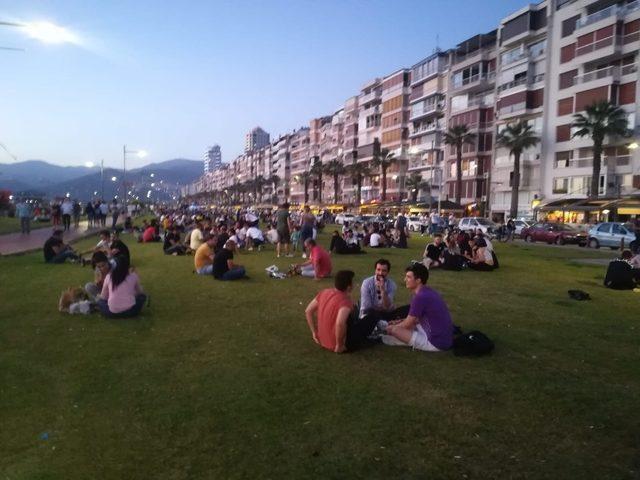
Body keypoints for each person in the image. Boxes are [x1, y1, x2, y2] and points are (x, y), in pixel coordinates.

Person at [380, 262, 453, 352]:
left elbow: (407, 324)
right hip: (444, 337)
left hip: (436, 342)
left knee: (395, 330)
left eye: (408, 277)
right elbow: (415, 319)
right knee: (399, 326)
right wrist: (399, 321)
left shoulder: (421, 297)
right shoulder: (427, 291)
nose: (405, 279)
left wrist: (390, 329)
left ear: (418, 280)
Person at [304, 270, 355, 353]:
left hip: (322, 340)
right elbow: (340, 323)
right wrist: (339, 345)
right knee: (372, 316)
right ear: (349, 287)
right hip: (335, 345)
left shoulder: (324, 292)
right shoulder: (345, 302)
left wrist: (314, 332)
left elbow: (308, 311)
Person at [359, 259, 408, 326]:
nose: (380, 273)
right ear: (375, 270)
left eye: (384, 271)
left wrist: (382, 290)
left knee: (408, 308)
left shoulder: (391, 284)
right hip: (369, 315)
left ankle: (385, 323)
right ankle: (386, 324)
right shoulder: (367, 283)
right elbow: (367, 307)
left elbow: (387, 306)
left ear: (388, 272)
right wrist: (386, 308)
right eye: (378, 270)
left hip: (385, 314)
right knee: (372, 312)